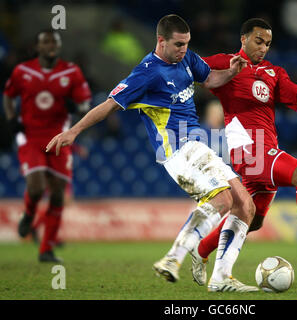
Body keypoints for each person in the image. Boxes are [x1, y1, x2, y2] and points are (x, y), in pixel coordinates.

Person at [46, 14, 258, 292]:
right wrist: (73, 131)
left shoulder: (187, 58)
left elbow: (210, 80)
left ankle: (220, 279)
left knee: (246, 204)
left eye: (186, 44)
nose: (183, 50)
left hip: (197, 143)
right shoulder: (147, 73)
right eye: (178, 44)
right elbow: (109, 105)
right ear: (161, 41)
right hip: (177, 150)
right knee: (222, 199)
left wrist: (230, 71)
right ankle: (174, 257)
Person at [189, 18, 297, 286]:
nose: (263, 47)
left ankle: (200, 251)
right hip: (249, 149)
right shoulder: (226, 62)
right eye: (259, 41)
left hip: (266, 149)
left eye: (268, 43)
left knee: (251, 220)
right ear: (243, 39)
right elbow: (191, 66)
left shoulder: (274, 73)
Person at [2, 30, 92, 262]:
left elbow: (85, 104)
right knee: (36, 186)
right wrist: (11, 119)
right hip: (31, 135)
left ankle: (46, 249)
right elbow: (8, 95)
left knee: (58, 195)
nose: (51, 45)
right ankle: (29, 214)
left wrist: (76, 107)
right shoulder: (23, 71)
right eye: (46, 42)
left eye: (55, 42)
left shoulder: (71, 72)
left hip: (59, 137)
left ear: (59, 47)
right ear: (38, 47)